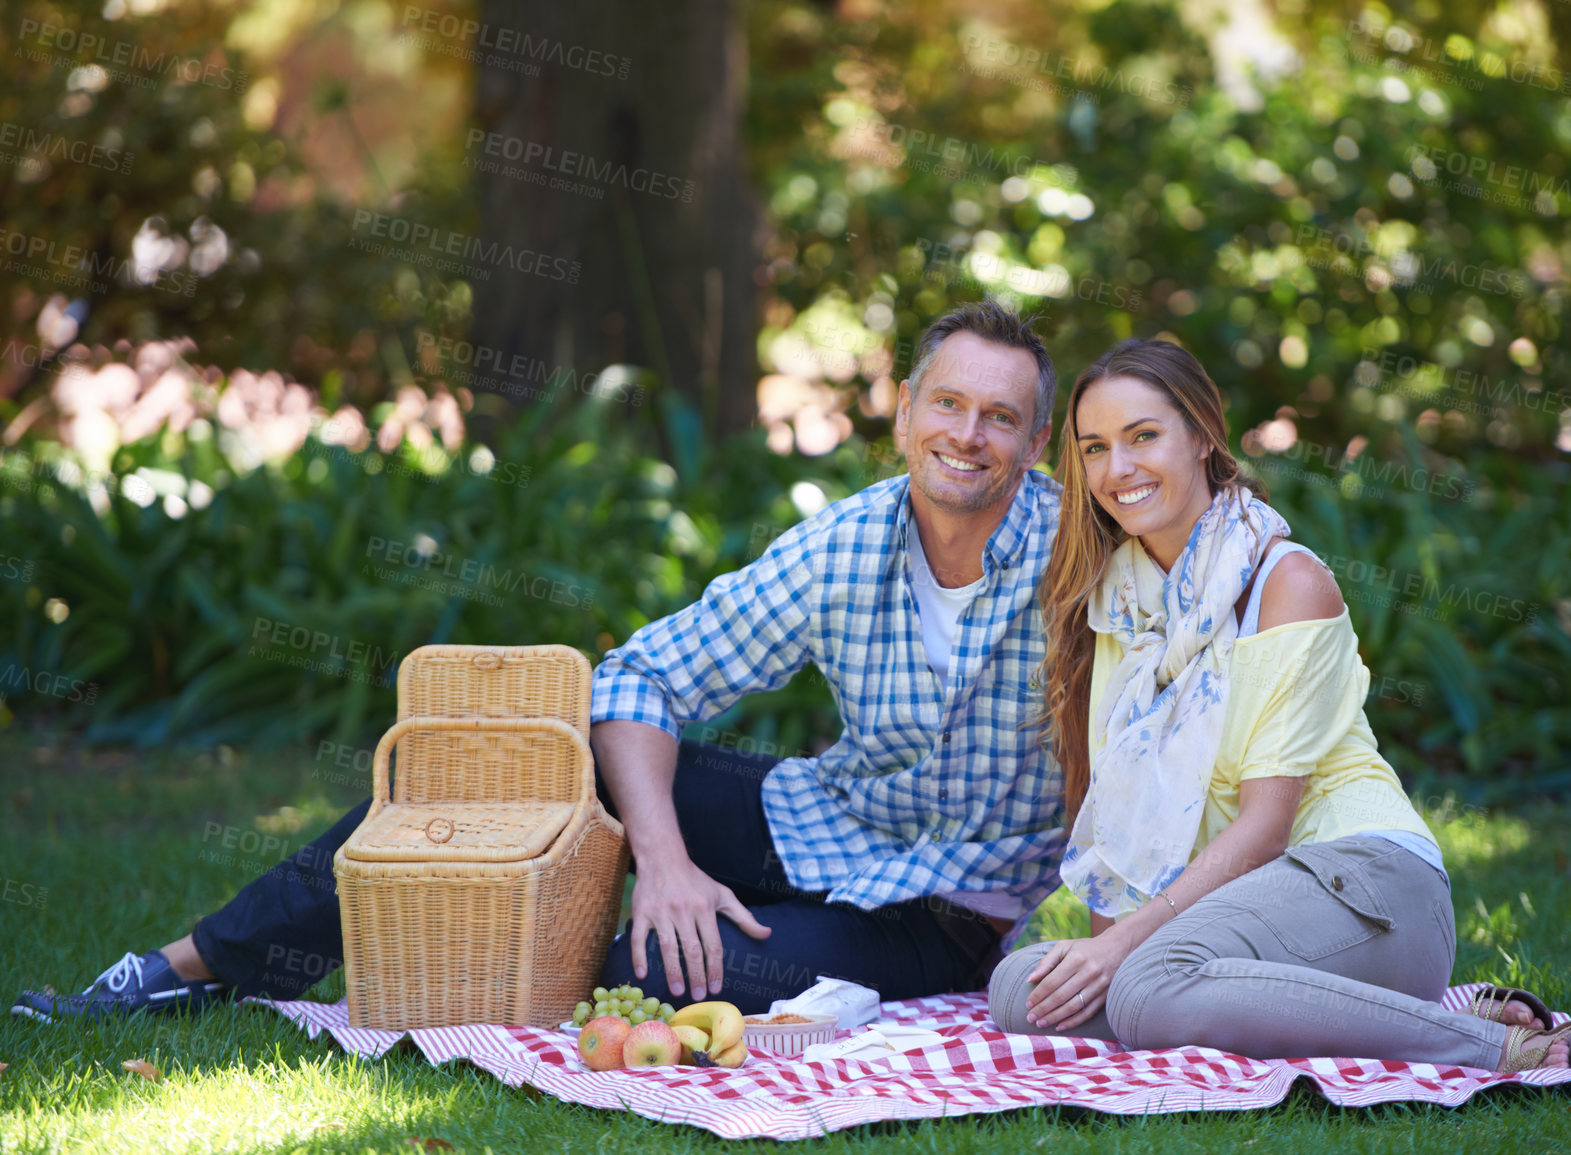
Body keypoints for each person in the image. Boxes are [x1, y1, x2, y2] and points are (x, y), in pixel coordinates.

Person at [13, 301, 1068, 1022]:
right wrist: (663, 858)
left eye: (1000, 418)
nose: (968, 434)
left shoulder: (1079, 562)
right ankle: (183, 970)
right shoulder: (846, 543)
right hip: (827, 820)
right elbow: (641, 679)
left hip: (944, 914)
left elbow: (1212, 594)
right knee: (488, 764)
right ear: (905, 417)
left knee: (642, 969)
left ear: (1033, 444)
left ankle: (569, 935)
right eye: (949, 404)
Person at [985, 337, 1571, 1073]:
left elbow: (1265, 827)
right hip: (1243, 921)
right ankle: (1386, 1014)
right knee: (1023, 985)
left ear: (1202, 436)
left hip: (1367, 884)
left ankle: (1501, 1045)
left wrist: (1121, 951)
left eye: (1142, 436)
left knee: (1145, 984)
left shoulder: (1285, 582)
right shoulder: (1118, 605)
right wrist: (1098, 954)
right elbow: (1120, 822)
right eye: (1093, 448)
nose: (1117, 469)